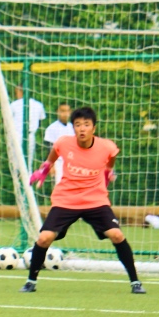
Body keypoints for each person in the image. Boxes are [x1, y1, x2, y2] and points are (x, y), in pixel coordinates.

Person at [23, 106, 145, 295]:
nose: (82, 129)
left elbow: (111, 160)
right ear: (73, 128)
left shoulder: (107, 147)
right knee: (44, 238)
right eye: (78, 125)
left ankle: (135, 282)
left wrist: (107, 174)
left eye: (86, 125)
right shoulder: (63, 143)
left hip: (95, 200)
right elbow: (53, 156)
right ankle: (31, 281)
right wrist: (45, 169)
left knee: (117, 235)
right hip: (66, 199)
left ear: (93, 128)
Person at [8, 86, 47, 162]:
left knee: (16, 162)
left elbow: (8, 120)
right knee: (28, 162)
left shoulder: (13, 105)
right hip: (30, 135)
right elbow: (41, 121)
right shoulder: (38, 105)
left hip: (16, 135)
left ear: (20, 92)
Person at [42, 102, 74, 186]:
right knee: (60, 187)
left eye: (67, 111)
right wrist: (50, 165)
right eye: (62, 111)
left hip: (72, 162)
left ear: (70, 112)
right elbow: (49, 147)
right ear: (57, 112)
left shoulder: (73, 127)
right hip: (58, 163)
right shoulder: (52, 128)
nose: (65, 114)